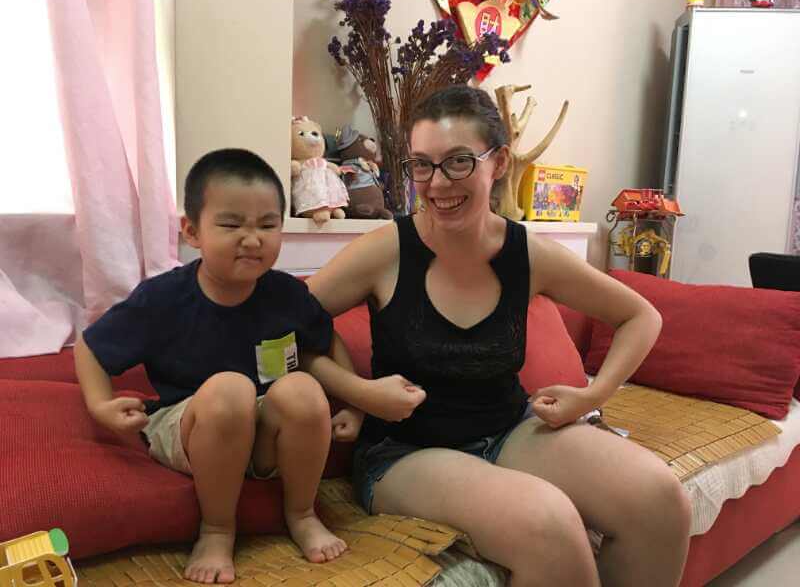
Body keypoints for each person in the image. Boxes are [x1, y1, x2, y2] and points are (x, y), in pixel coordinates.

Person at [305, 85, 692, 587]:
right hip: (405, 453)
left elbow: (642, 317)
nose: (438, 183)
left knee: (660, 500)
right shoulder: (384, 251)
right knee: (548, 523)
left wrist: (594, 394)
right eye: (422, 164)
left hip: (510, 428)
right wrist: (358, 394)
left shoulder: (528, 254)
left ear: (500, 162)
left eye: (459, 162)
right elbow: (286, 326)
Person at [75, 149, 355, 584]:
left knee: (301, 388)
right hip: (190, 426)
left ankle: (302, 513)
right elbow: (90, 348)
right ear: (192, 231)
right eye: (230, 225)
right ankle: (217, 529)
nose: (252, 239)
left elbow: (328, 340)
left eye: (268, 225)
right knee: (230, 390)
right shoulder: (162, 298)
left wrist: (355, 405)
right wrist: (100, 404)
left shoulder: (289, 294)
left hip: (263, 435)